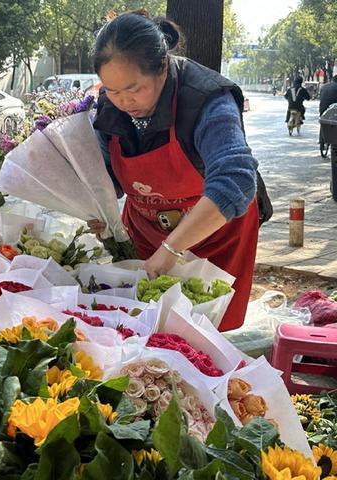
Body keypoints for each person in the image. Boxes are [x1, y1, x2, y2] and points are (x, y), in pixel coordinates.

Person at [87, 10, 271, 332]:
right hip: (147, 232)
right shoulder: (110, 105)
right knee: (145, 328)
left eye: (134, 89)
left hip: (216, 235)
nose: (123, 101)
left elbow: (237, 179)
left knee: (205, 335)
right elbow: (107, 179)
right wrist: (93, 204)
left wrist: (172, 248)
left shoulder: (206, 98)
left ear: (162, 66)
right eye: (113, 91)